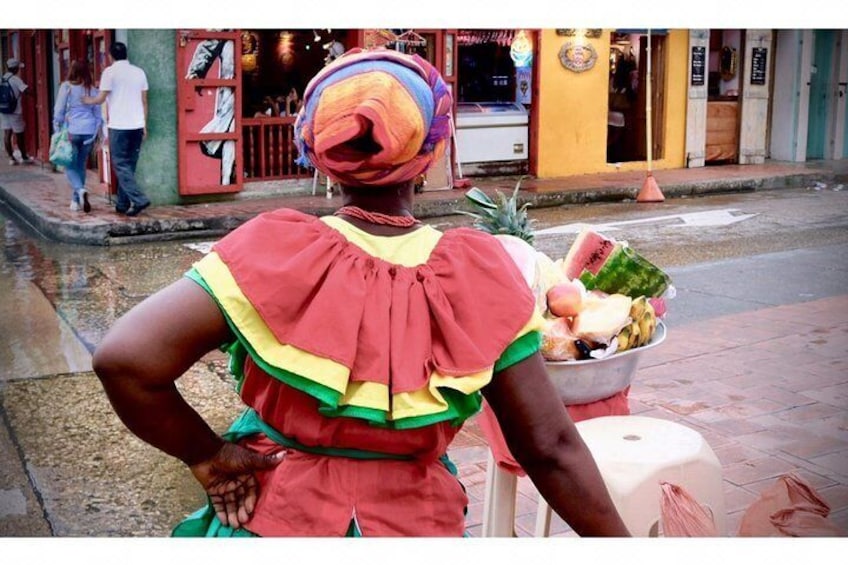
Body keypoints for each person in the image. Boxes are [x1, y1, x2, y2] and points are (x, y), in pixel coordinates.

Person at [92, 48, 630, 538]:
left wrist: (207, 455)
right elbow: (551, 448)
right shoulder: (479, 273)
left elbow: (125, 360)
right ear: (429, 153)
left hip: (274, 516)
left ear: (321, 157)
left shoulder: (273, 250)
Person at [82, 42, 150, 217]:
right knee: (129, 165)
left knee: (120, 164)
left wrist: (85, 100)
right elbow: (144, 101)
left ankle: (139, 199)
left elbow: (100, 98)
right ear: (126, 54)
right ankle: (122, 203)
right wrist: (144, 124)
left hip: (119, 126)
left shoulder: (109, 73)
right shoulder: (139, 72)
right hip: (136, 125)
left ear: (110, 56)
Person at [52, 59, 103, 213]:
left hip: (71, 131)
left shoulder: (66, 87)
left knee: (69, 164)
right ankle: (75, 201)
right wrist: (97, 132)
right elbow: (98, 114)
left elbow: (59, 110)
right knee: (81, 165)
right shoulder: (92, 89)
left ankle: (80, 190)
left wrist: (57, 128)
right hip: (88, 132)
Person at [1, 58, 35, 166]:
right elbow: (26, 91)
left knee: (7, 133)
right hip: (15, 111)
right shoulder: (16, 79)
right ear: (15, 68)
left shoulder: (2, 79)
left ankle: (11, 158)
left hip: (3, 109)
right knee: (19, 134)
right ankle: (24, 157)